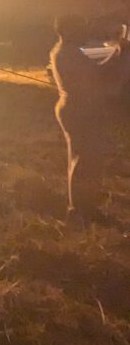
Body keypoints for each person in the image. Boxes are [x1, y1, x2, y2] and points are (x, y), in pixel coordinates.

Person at [49, 14, 130, 224]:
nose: (85, 29)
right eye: (81, 26)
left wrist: (118, 54)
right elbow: (99, 76)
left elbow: (97, 73)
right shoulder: (68, 54)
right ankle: (79, 211)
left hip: (79, 108)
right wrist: (120, 55)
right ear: (69, 29)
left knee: (85, 160)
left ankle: (84, 208)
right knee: (85, 161)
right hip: (80, 110)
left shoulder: (66, 51)